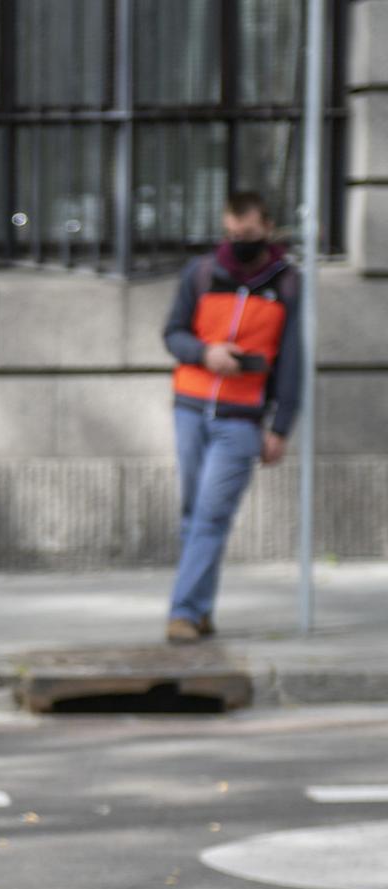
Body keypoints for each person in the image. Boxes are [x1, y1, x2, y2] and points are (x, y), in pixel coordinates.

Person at [160, 190, 300, 644]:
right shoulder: (201, 273)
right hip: (191, 406)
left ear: (268, 230)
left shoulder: (287, 284)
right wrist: (206, 353)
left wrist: (280, 427)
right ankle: (200, 608)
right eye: (232, 234)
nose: (239, 241)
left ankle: (182, 612)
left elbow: (293, 360)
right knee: (193, 514)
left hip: (241, 419)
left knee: (211, 515)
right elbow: (173, 334)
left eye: (249, 234)